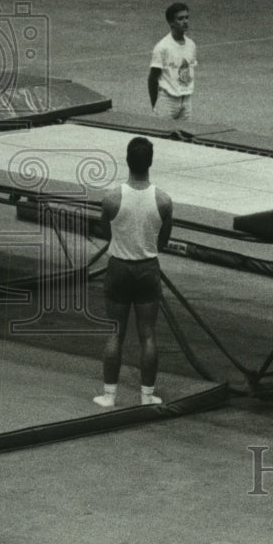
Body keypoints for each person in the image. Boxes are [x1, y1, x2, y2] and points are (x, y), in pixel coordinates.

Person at [93, 136, 174, 408]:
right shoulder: (163, 201)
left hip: (119, 267)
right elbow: (163, 242)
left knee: (115, 332)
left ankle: (109, 395)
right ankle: (147, 396)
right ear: (150, 162)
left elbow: (106, 233)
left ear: (127, 161)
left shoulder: (112, 199)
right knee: (148, 334)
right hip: (147, 268)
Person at [149, 2, 196, 121]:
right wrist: (155, 104)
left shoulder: (191, 45)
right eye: (180, 19)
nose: (185, 21)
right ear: (171, 23)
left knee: (185, 137)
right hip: (167, 101)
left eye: (186, 17)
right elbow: (153, 78)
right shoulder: (162, 47)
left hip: (186, 101)